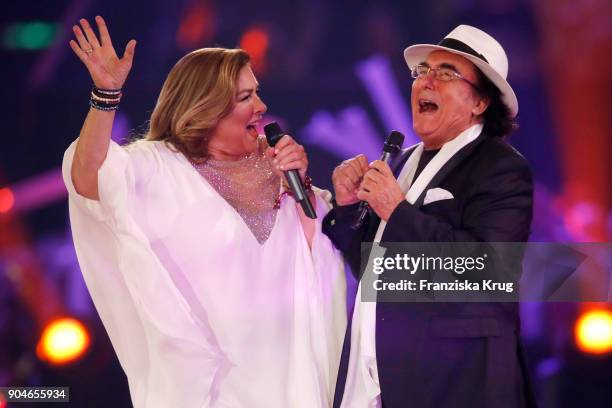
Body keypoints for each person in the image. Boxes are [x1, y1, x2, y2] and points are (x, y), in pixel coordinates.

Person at [62, 16, 346, 408]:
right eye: (245, 98)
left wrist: (306, 188)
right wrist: (106, 96)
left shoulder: (281, 171)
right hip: (205, 393)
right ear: (206, 107)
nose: (262, 107)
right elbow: (88, 178)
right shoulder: (158, 166)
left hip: (288, 386)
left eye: (258, 93)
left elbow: (321, 267)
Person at [323, 25, 537, 407]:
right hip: (385, 374)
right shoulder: (405, 162)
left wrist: (398, 212)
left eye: (445, 73)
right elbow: (372, 268)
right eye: (422, 72)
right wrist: (347, 206)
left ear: (480, 103)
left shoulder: (500, 168)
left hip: (457, 382)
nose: (426, 82)